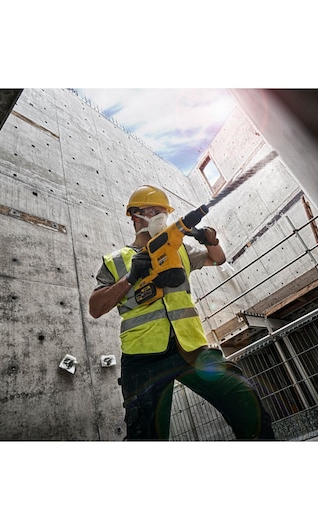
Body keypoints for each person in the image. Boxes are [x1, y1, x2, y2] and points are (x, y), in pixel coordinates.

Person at [89, 184, 276, 441]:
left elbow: (217, 259)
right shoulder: (115, 260)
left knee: (244, 397)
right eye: (151, 210)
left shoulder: (179, 250)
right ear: (135, 217)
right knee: (145, 434)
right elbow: (96, 308)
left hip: (192, 348)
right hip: (143, 358)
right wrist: (130, 278)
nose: (159, 217)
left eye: (163, 211)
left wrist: (211, 241)